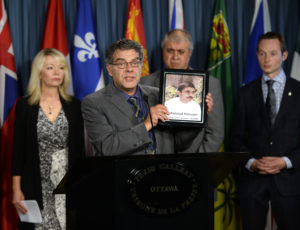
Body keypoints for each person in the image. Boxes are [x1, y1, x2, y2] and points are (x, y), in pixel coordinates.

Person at [82, 38, 212, 156]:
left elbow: (179, 144)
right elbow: (107, 147)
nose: (129, 69)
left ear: (140, 67)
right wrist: (147, 124)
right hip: (123, 178)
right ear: (109, 69)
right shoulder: (94, 103)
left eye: (134, 63)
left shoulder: (158, 95)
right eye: (121, 64)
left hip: (163, 175)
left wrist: (198, 117)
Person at [231, 32, 300, 230]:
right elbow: (235, 139)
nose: (266, 59)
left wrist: (284, 162)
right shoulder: (245, 93)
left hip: (290, 183)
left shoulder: (298, 92)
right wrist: (252, 163)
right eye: (261, 54)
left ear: (284, 55)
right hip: (253, 183)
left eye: (272, 53)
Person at [12, 48, 85, 229]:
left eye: (61, 67)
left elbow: (80, 150)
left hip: (67, 185)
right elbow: (18, 150)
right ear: (39, 72)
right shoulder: (25, 106)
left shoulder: (75, 106)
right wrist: (16, 189)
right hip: (35, 183)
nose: (57, 72)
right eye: (51, 67)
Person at [140, 29, 224, 152]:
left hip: (194, 161)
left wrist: (197, 161)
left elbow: (215, 133)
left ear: (189, 53)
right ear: (163, 52)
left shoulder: (210, 84)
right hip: (155, 161)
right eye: (170, 51)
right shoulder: (143, 83)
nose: (175, 56)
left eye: (181, 52)